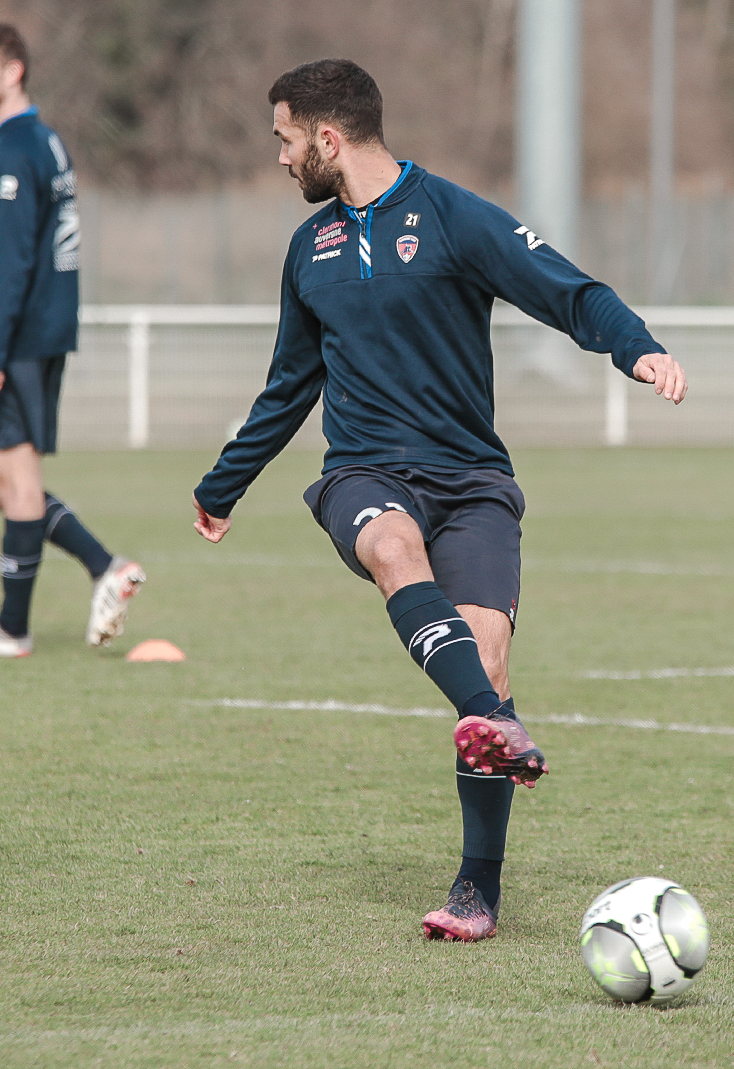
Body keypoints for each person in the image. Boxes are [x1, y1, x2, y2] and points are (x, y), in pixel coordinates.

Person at [190, 59, 686, 941]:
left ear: (327, 138)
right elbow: (289, 385)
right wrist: (224, 484)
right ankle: (502, 727)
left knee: (487, 658)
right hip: (365, 473)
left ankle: (475, 890)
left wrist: (634, 349)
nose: (280, 159)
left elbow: (566, 288)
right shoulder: (312, 249)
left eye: (284, 139)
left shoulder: (455, 217)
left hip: (472, 480)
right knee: (391, 551)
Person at [0, 23, 145, 659]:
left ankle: (11, 629)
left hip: (18, 338)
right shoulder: (46, 141)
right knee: (0, 488)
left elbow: (10, 261)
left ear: (13, 71)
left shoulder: (11, 147)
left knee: (16, 485)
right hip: (44, 332)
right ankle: (105, 566)